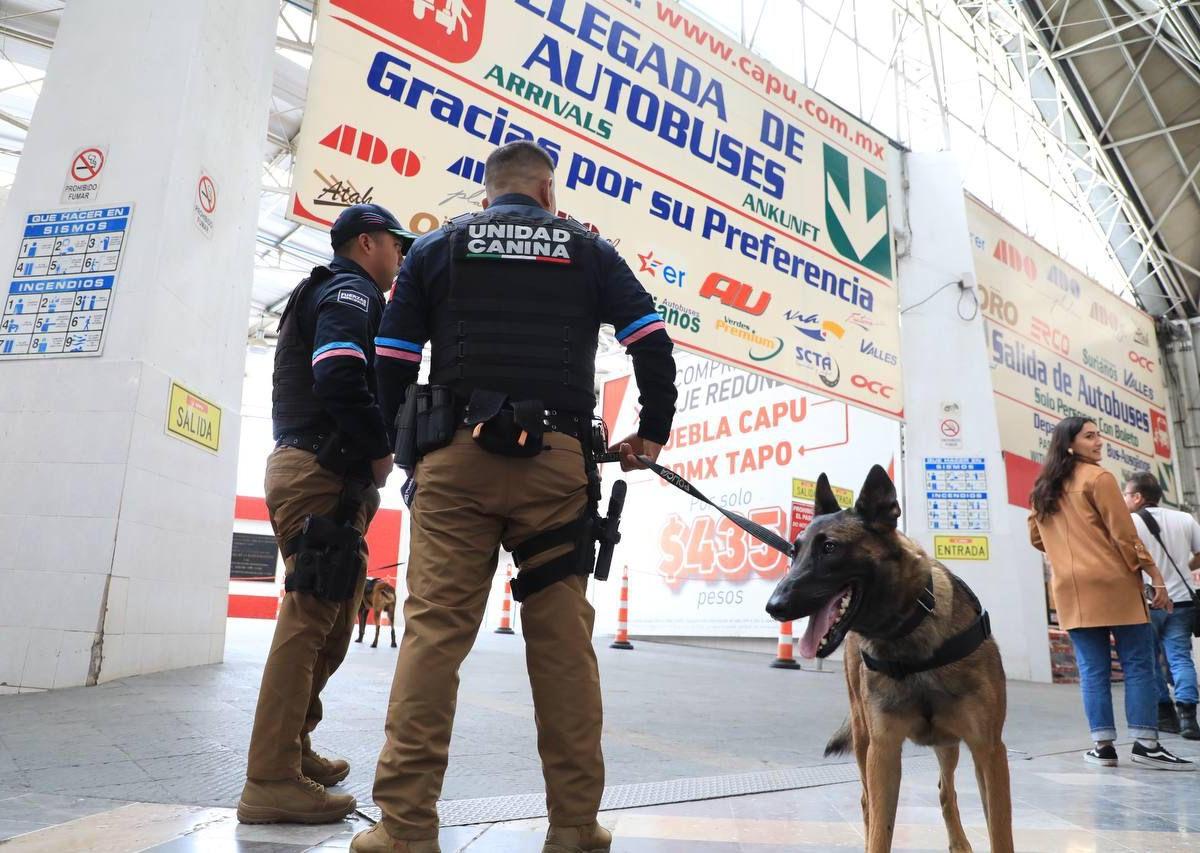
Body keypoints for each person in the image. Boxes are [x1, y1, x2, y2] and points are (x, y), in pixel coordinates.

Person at [352, 141, 677, 853]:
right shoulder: (589, 251)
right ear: (548, 193)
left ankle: (404, 828)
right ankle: (571, 827)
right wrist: (650, 433)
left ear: (486, 194)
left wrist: (412, 455)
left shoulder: (437, 246)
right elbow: (650, 340)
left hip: (454, 460)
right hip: (558, 466)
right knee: (561, 645)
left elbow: (393, 361)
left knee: (434, 635)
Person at [237, 204, 416, 824]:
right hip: (321, 470)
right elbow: (341, 373)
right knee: (311, 617)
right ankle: (269, 777)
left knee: (335, 621)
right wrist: (379, 452)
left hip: (319, 472)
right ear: (368, 242)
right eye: (396, 243)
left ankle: (294, 745)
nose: (400, 255)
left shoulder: (332, 289)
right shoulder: (351, 290)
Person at [1028, 416, 1191, 771]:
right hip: (1114, 583)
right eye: (1090, 436)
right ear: (1070, 444)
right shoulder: (1099, 478)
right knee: (1138, 664)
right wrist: (1155, 576)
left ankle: (1103, 747)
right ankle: (1146, 743)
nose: (1099, 441)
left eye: (1098, 435)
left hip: (1070, 589)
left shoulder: (1043, 487)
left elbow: (1036, 537)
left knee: (1092, 670)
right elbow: (1124, 535)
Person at [1125, 472, 1200, 739]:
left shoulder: (1129, 522)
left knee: (1149, 660)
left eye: (1126, 494)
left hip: (1147, 601)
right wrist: (1185, 569)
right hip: (1181, 601)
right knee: (1180, 657)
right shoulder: (1184, 519)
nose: (1124, 499)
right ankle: (1189, 717)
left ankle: (1165, 714)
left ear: (1137, 496)